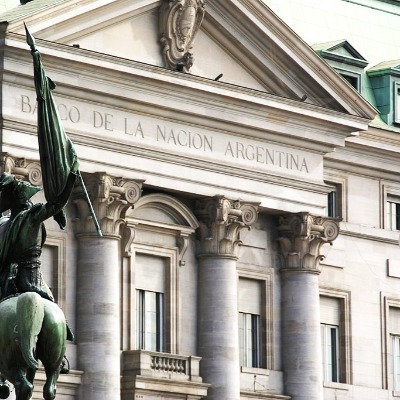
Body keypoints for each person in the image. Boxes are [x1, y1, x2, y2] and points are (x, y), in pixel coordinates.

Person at [0, 171, 76, 343]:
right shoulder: (26, 218)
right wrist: (69, 180)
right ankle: (61, 351)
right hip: (31, 279)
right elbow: (56, 204)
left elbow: (55, 205)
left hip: (6, 280)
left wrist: (70, 180)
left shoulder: (9, 222)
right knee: (53, 308)